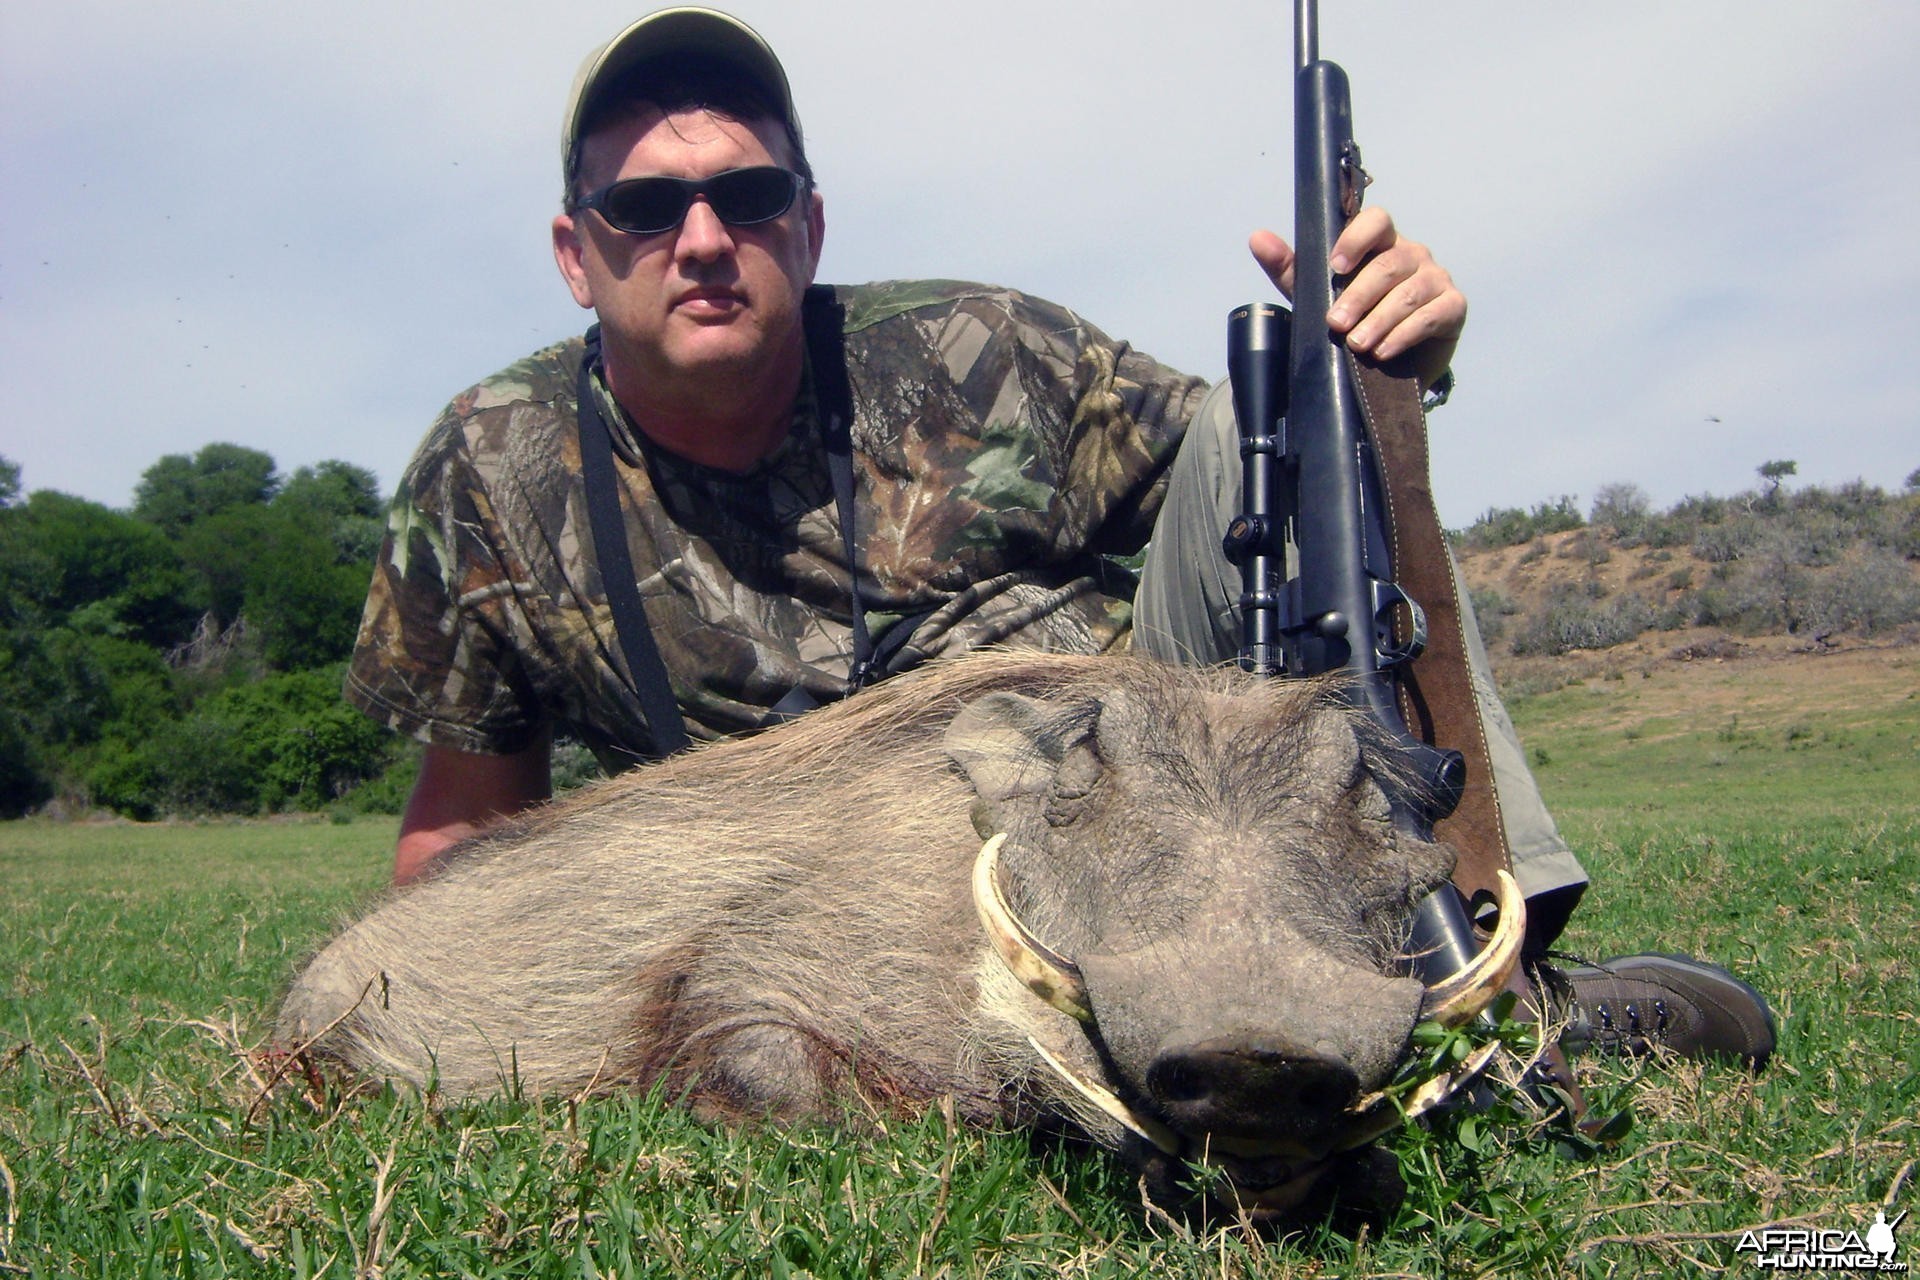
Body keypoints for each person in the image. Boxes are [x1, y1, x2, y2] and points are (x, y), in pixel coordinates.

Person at [345, 6, 1774, 1068]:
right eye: (646, 207)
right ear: (572, 248)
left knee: (1296, 401)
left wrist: (1379, 355)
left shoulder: (979, 348)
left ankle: (1482, 962)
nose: (705, 237)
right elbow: (464, 826)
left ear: (813, 222)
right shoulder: (490, 470)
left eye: (752, 195)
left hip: (1112, 783)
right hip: (818, 906)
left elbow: (1249, 474)